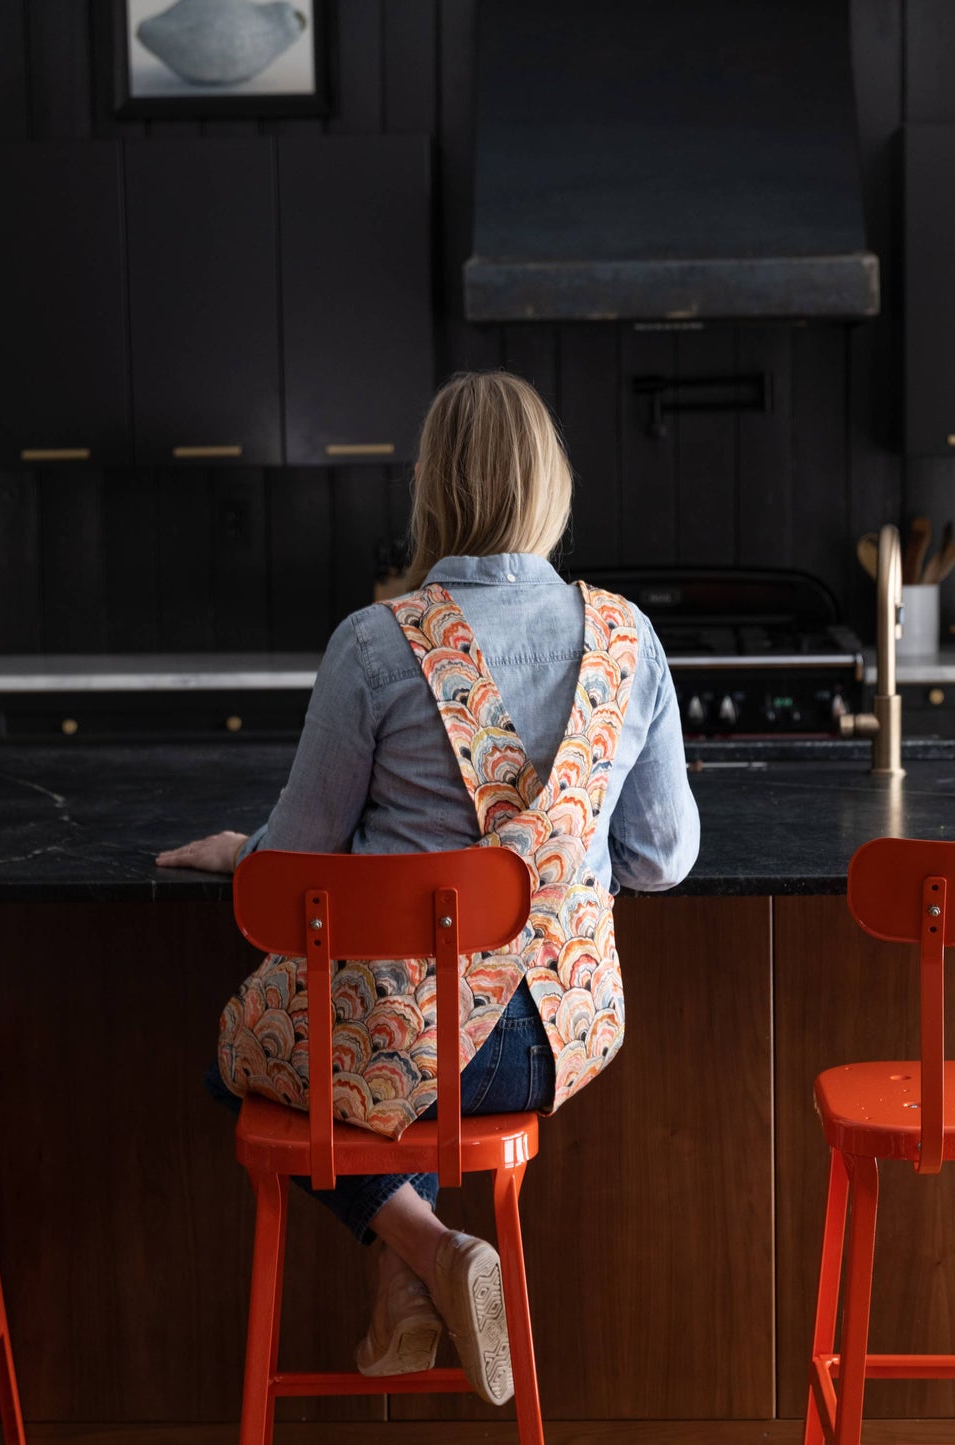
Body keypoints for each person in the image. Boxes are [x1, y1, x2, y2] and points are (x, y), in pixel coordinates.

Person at [157, 369, 698, 1406]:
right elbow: (664, 856)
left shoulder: (373, 643)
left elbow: (295, 869)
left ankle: (425, 1243)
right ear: (553, 485)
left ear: (430, 488)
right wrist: (559, 865)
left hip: (403, 1043)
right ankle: (413, 1267)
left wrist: (245, 847)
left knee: (243, 1054)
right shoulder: (629, 637)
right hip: (559, 1041)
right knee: (372, 1073)